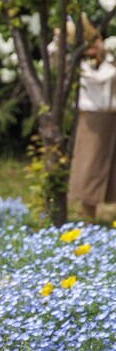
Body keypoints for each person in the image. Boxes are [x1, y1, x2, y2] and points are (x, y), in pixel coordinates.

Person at [67, 21, 116, 221]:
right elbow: (98, 80)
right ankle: (89, 218)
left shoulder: (108, 61)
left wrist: (104, 55)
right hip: (91, 118)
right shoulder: (77, 63)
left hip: (111, 117)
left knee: (110, 168)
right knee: (89, 166)